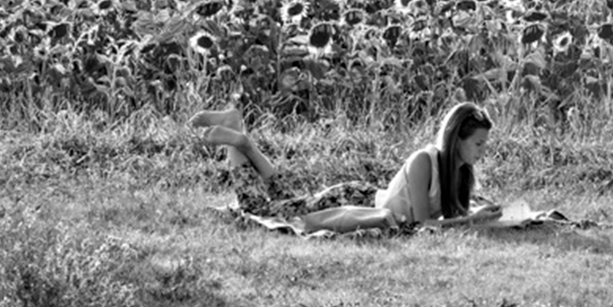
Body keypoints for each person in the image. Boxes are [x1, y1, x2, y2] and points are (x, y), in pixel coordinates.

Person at [191, 101, 502, 234]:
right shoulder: (425, 160)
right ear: (456, 139)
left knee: (283, 200)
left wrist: (478, 213)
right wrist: (471, 221)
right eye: (478, 144)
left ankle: (241, 138)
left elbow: (453, 214)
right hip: (355, 203)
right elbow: (419, 225)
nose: (483, 151)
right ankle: (238, 143)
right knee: (259, 207)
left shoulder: (460, 171)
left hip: (364, 199)